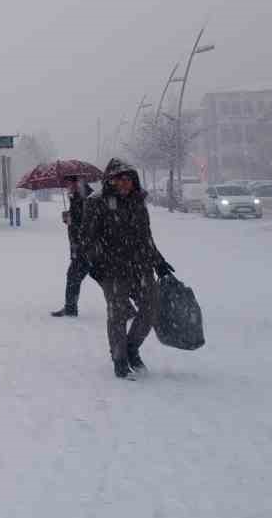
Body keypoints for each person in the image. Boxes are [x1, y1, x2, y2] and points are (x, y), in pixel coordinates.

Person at [80, 158, 174, 379]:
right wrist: (96, 263)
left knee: (150, 310)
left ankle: (132, 348)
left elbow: (145, 237)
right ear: (109, 181)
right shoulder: (97, 203)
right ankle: (120, 358)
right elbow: (87, 238)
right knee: (118, 314)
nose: (124, 182)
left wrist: (158, 261)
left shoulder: (138, 202)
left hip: (141, 267)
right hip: (112, 270)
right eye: (119, 178)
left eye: (128, 178)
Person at [50, 175, 93, 317]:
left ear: (76, 182)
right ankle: (128, 307)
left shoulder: (86, 197)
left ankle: (70, 308)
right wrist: (69, 218)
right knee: (104, 277)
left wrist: (71, 219)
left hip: (85, 246)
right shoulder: (77, 196)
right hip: (82, 246)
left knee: (73, 276)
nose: (67, 186)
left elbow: (87, 221)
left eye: (68, 183)